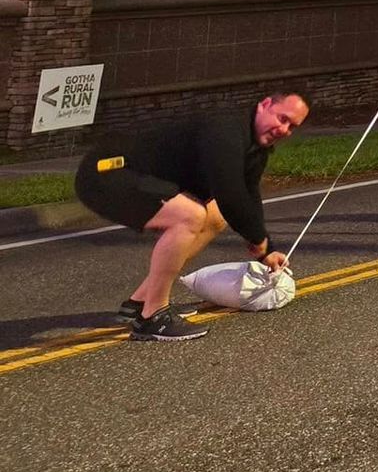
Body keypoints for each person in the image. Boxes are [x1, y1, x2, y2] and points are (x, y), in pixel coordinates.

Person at [73, 90, 310, 342]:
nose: (284, 130)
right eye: (282, 119)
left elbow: (248, 193)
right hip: (106, 170)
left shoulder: (256, 148)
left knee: (215, 216)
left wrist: (267, 248)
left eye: (292, 127)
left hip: (134, 176)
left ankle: (140, 301)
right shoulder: (226, 130)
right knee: (190, 216)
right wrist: (257, 239)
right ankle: (153, 317)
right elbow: (230, 193)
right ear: (264, 105)